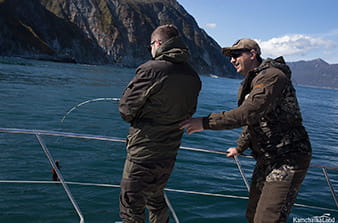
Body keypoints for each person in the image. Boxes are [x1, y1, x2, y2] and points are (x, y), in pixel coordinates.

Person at [180, 38, 312, 223]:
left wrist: (205, 122)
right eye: (230, 57)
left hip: (287, 157)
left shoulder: (272, 77)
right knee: (252, 215)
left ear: (252, 54)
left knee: (267, 219)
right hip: (267, 157)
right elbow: (253, 122)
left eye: (236, 55)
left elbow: (248, 113)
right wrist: (240, 148)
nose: (232, 60)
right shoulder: (251, 82)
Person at [118, 24, 201, 223]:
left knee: (131, 206)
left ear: (157, 44)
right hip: (168, 154)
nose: (151, 51)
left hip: (143, 152)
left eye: (151, 47)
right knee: (155, 199)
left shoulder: (151, 69)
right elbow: (189, 113)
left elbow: (126, 110)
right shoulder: (193, 76)